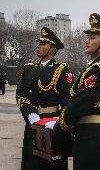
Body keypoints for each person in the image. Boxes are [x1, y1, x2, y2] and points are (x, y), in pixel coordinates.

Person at [51, 13, 100, 170]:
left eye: (93, 37)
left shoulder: (99, 69)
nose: (87, 40)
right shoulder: (96, 66)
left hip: (92, 136)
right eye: (88, 36)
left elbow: (78, 103)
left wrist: (59, 126)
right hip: (91, 134)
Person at [16, 27, 73, 170]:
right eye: (39, 43)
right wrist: (29, 113)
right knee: (32, 162)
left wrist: (60, 124)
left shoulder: (62, 70)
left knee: (52, 164)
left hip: (51, 121)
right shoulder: (29, 69)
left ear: (53, 49)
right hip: (33, 120)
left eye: (43, 44)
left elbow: (68, 102)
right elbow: (21, 93)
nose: (39, 46)